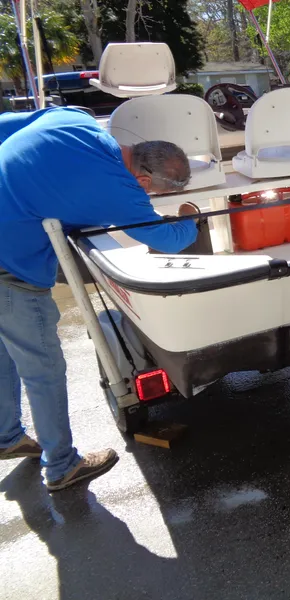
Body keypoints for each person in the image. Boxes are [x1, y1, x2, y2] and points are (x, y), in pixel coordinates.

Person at [0, 106, 198, 491]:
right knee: (43, 370)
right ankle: (61, 467)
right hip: (11, 270)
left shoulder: (73, 118)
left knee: (4, 352)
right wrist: (190, 215)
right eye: (153, 193)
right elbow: (171, 239)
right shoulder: (118, 189)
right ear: (142, 178)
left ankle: (6, 438)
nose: (147, 197)